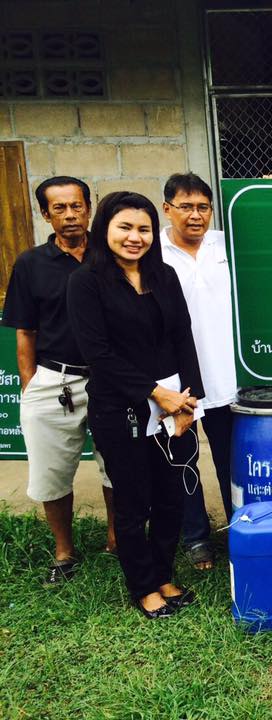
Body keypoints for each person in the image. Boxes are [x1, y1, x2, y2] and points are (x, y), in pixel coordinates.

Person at [68, 191, 205, 619]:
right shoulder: (86, 282)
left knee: (171, 497)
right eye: (124, 227)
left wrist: (189, 401)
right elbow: (98, 354)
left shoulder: (164, 275)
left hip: (174, 407)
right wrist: (155, 393)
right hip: (121, 408)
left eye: (143, 229)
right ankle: (144, 587)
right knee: (133, 502)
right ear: (104, 229)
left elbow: (183, 337)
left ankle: (163, 575)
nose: (135, 237)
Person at [3, 176, 115, 583]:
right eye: (59, 208)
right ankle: (64, 551)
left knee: (116, 464)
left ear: (89, 208)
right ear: (44, 214)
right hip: (55, 379)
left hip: (109, 379)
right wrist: (30, 383)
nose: (70, 215)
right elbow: (25, 331)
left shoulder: (109, 255)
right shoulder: (31, 263)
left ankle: (117, 539)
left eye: (76, 206)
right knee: (51, 471)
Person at [160, 173, 236, 571]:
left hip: (225, 379)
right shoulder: (151, 253)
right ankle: (196, 538)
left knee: (229, 460)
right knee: (183, 460)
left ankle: (239, 528)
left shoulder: (225, 245)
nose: (195, 215)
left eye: (203, 207)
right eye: (186, 206)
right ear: (167, 208)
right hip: (177, 382)